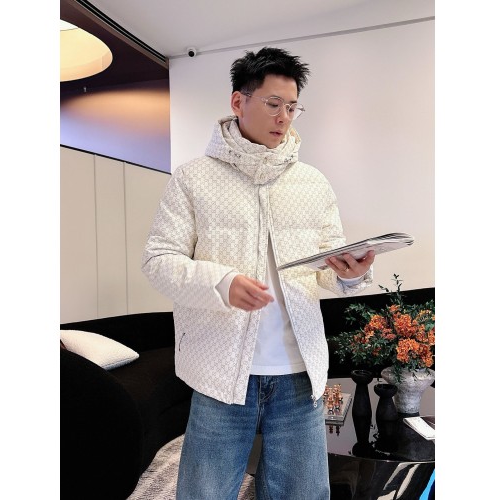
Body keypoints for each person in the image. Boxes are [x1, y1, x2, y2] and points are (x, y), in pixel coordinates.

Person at [142, 46, 375, 500]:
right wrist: (222, 283)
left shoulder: (313, 182)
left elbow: (326, 269)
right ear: (238, 101)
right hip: (220, 373)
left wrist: (350, 274)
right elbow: (159, 261)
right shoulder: (192, 178)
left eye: (292, 107)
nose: (284, 117)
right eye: (273, 104)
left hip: (300, 374)